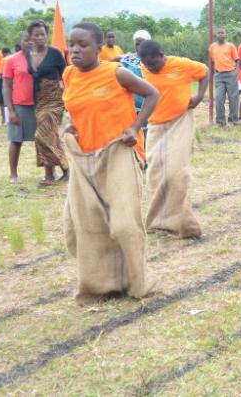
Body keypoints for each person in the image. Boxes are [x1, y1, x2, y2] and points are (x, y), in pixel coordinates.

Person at [62, 22, 159, 304]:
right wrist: (71, 126)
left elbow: (152, 94)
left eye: (83, 45)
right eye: (73, 45)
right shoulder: (69, 75)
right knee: (84, 224)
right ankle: (103, 283)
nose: (76, 50)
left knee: (124, 225)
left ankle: (137, 281)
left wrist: (135, 127)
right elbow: (77, 109)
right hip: (85, 158)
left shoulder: (116, 74)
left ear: (98, 47)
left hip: (118, 153)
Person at [139, 39, 208, 237]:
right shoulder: (143, 69)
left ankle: (184, 224)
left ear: (162, 55)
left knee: (175, 173)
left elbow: (205, 72)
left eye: (153, 63)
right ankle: (159, 222)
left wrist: (200, 96)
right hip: (155, 125)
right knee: (155, 173)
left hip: (180, 121)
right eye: (146, 64)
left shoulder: (182, 65)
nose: (150, 68)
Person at [25, 19, 69, 186]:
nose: (40, 37)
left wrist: (68, 98)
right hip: (37, 99)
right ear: (30, 37)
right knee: (48, 134)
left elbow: (67, 75)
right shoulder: (28, 55)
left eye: (43, 34)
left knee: (41, 134)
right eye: (36, 35)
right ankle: (51, 174)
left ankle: (64, 167)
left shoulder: (55, 53)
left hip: (55, 99)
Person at [3, 31, 35, 184]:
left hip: (39, 105)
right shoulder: (11, 60)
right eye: (26, 40)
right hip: (19, 106)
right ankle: (13, 174)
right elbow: (7, 86)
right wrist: (11, 110)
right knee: (16, 140)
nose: (29, 42)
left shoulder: (41, 58)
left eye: (32, 40)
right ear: (20, 42)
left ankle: (50, 171)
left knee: (43, 141)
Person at [208, 27, 240, 125]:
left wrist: (236, 72)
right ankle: (220, 122)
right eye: (219, 33)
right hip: (218, 75)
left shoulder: (230, 46)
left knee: (233, 98)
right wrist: (212, 73)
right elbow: (211, 61)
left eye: (222, 33)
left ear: (225, 35)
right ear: (216, 35)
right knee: (219, 99)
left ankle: (233, 120)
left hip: (231, 74)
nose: (221, 34)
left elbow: (237, 60)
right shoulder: (212, 47)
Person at [118, 29, 151, 115]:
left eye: (142, 44)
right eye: (137, 44)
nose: (139, 46)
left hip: (148, 102)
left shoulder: (153, 60)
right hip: (129, 103)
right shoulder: (127, 59)